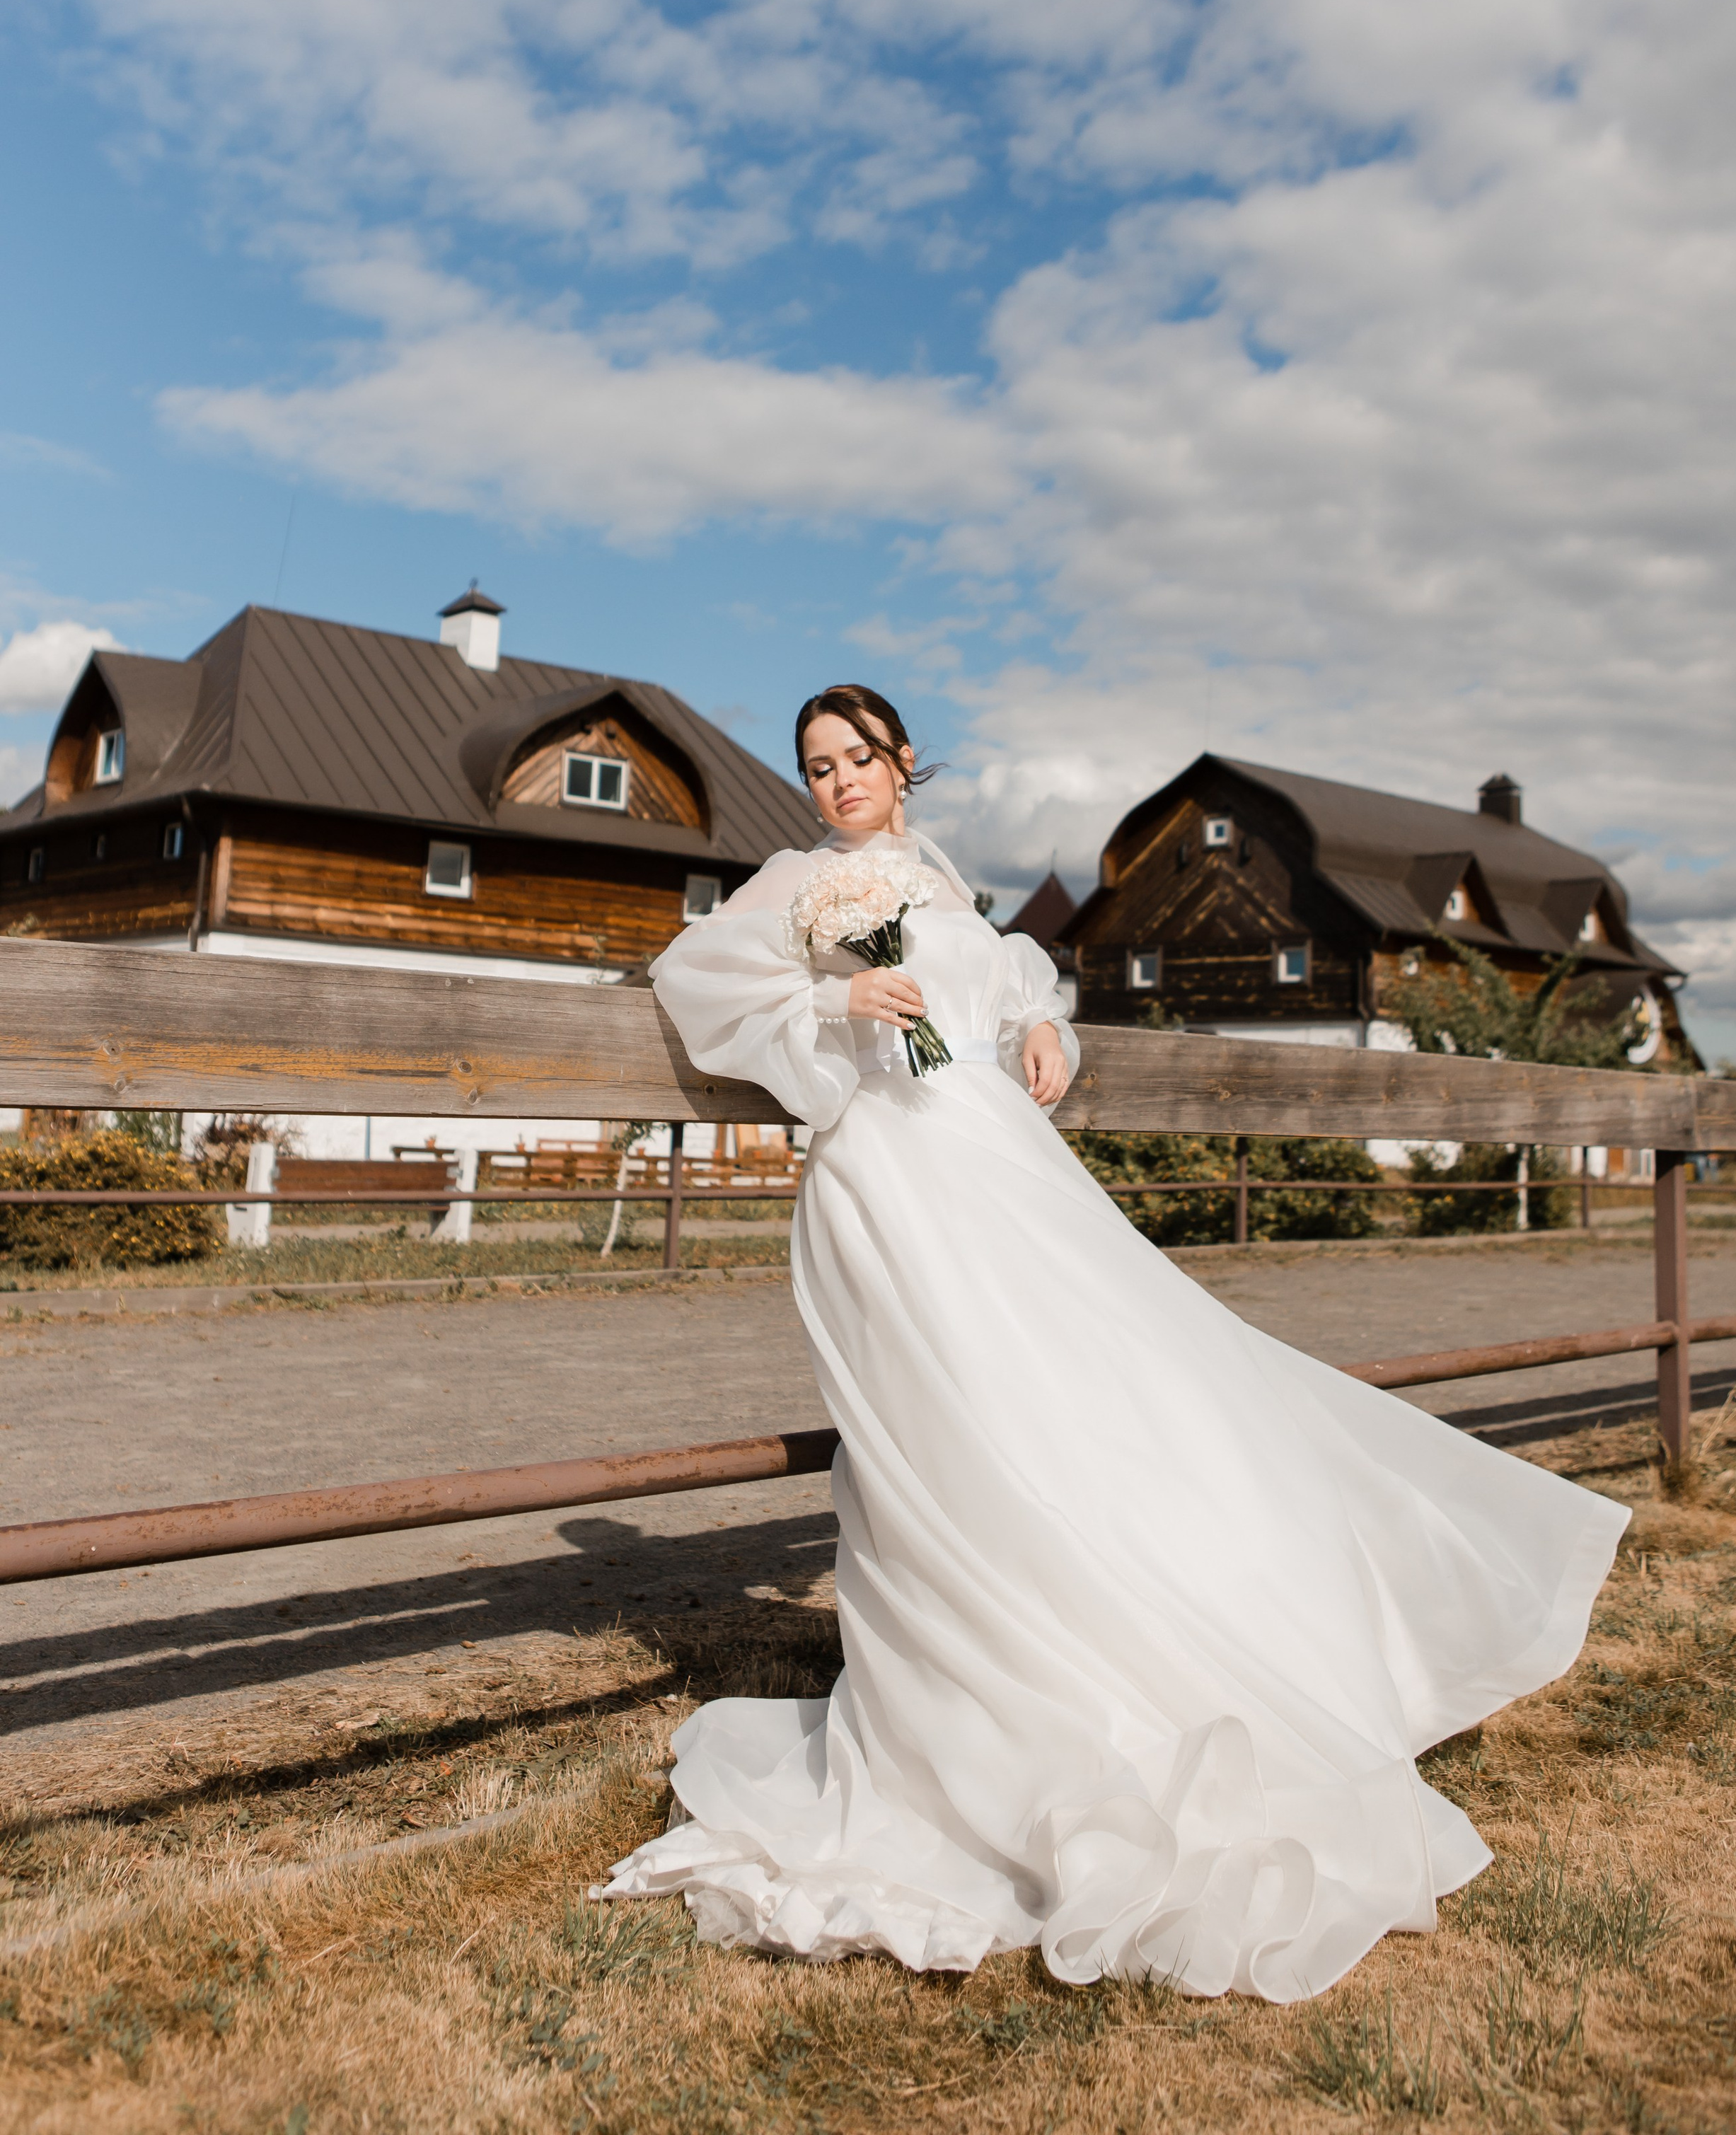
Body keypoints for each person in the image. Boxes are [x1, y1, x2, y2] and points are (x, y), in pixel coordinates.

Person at [601, 685, 1627, 2003]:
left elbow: (1017, 981)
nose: (838, 781)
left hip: (1000, 1171)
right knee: (954, 1435)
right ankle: (967, 1726)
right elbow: (697, 979)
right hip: (890, 1186)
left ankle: (1144, 1658)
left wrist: (1040, 1026)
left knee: (1102, 1404)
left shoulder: (944, 879)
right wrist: (833, 1013)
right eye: (817, 765)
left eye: (857, 757)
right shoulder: (800, 882)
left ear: (903, 762)